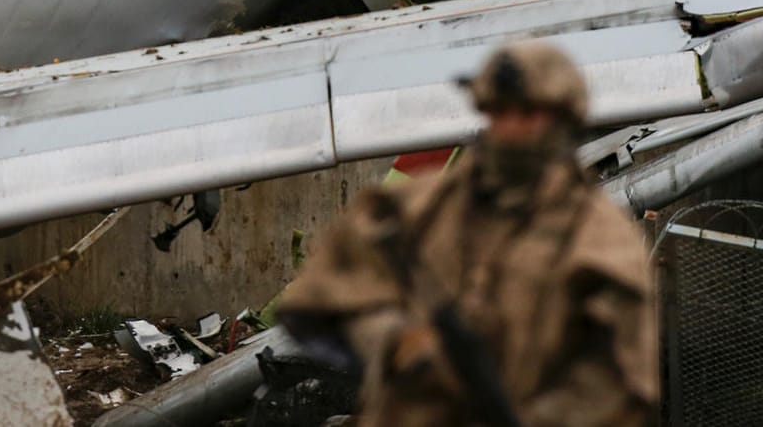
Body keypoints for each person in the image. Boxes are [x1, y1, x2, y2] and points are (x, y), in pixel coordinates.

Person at [277, 40, 658, 426]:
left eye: (528, 114)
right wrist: (392, 341)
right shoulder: (418, 207)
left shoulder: (602, 239)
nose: (511, 128)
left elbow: (622, 378)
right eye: (499, 111)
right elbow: (319, 299)